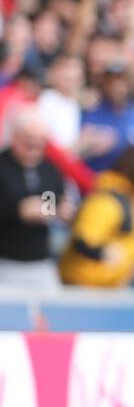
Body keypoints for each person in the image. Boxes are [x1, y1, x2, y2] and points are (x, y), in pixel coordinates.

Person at [58, 145, 134, 287]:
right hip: (84, 285)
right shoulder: (106, 200)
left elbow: (130, 238)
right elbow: (82, 240)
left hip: (111, 285)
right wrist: (102, 253)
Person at [0, 108, 66, 289]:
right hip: (6, 262)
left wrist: (58, 211)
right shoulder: (3, 166)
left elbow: (53, 199)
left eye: (40, 146)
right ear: (15, 138)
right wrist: (17, 211)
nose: (35, 152)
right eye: (29, 145)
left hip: (40, 262)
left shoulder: (48, 169)